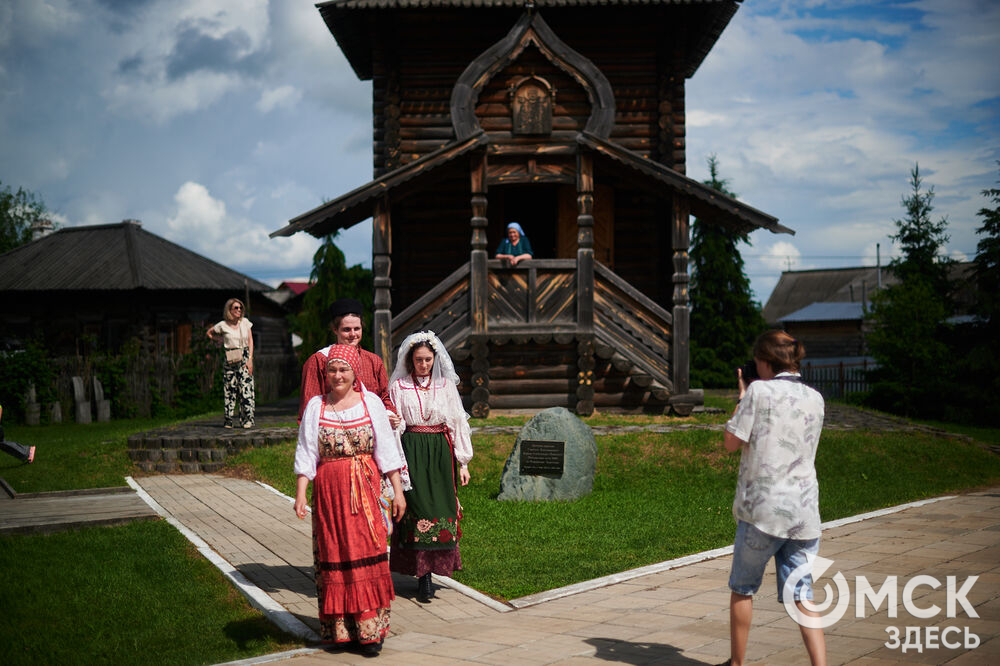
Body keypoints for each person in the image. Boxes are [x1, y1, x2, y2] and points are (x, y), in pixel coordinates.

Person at [718, 330, 827, 666]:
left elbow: (730, 443)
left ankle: (737, 664)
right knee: (802, 595)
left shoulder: (758, 392)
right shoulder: (816, 397)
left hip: (761, 512)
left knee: (743, 588)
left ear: (764, 361)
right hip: (804, 513)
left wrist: (742, 396)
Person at [294, 345, 408, 655]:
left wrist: (398, 492)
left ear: (355, 372)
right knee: (335, 553)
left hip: (365, 488)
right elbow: (306, 453)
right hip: (330, 493)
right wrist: (301, 493)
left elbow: (387, 451)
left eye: (343, 369)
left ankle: (370, 631)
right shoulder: (316, 407)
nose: (337, 375)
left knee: (365, 551)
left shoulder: (370, 403)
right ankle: (340, 630)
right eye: (332, 370)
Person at [388, 330, 473, 603]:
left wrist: (463, 462)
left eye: (427, 360)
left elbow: (458, 422)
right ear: (409, 360)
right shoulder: (399, 386)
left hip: (439, 450)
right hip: (412, 449)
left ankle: (435, 571)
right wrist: (393, 423)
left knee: (440, 508)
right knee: (417, 508)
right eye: (418, 360)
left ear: (435, 359)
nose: (423, 365)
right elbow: (397, 423)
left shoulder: (446, 386)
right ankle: (421, 575)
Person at [298, 298, 399, 429]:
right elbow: (309, 406)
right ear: (335, 330)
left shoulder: (374, 361)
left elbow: (384, 397)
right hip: (334, 432)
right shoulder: (319, 360)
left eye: (357, 328)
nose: (353, 334)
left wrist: (390, 415)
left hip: (370, 434)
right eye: (346, 329)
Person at [207, 298, 255, 429]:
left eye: (240, 308)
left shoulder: (245, 323)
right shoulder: (222, 325)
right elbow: (209, 333)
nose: (239, 310)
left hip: (244, 356)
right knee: (230, 389)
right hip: (230, 357)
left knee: (245, 388)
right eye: (236, 308)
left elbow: (250, 341)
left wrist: (250, 359)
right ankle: (228, 420)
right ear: (229, 310)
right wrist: (220, 340)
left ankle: (247, 419)